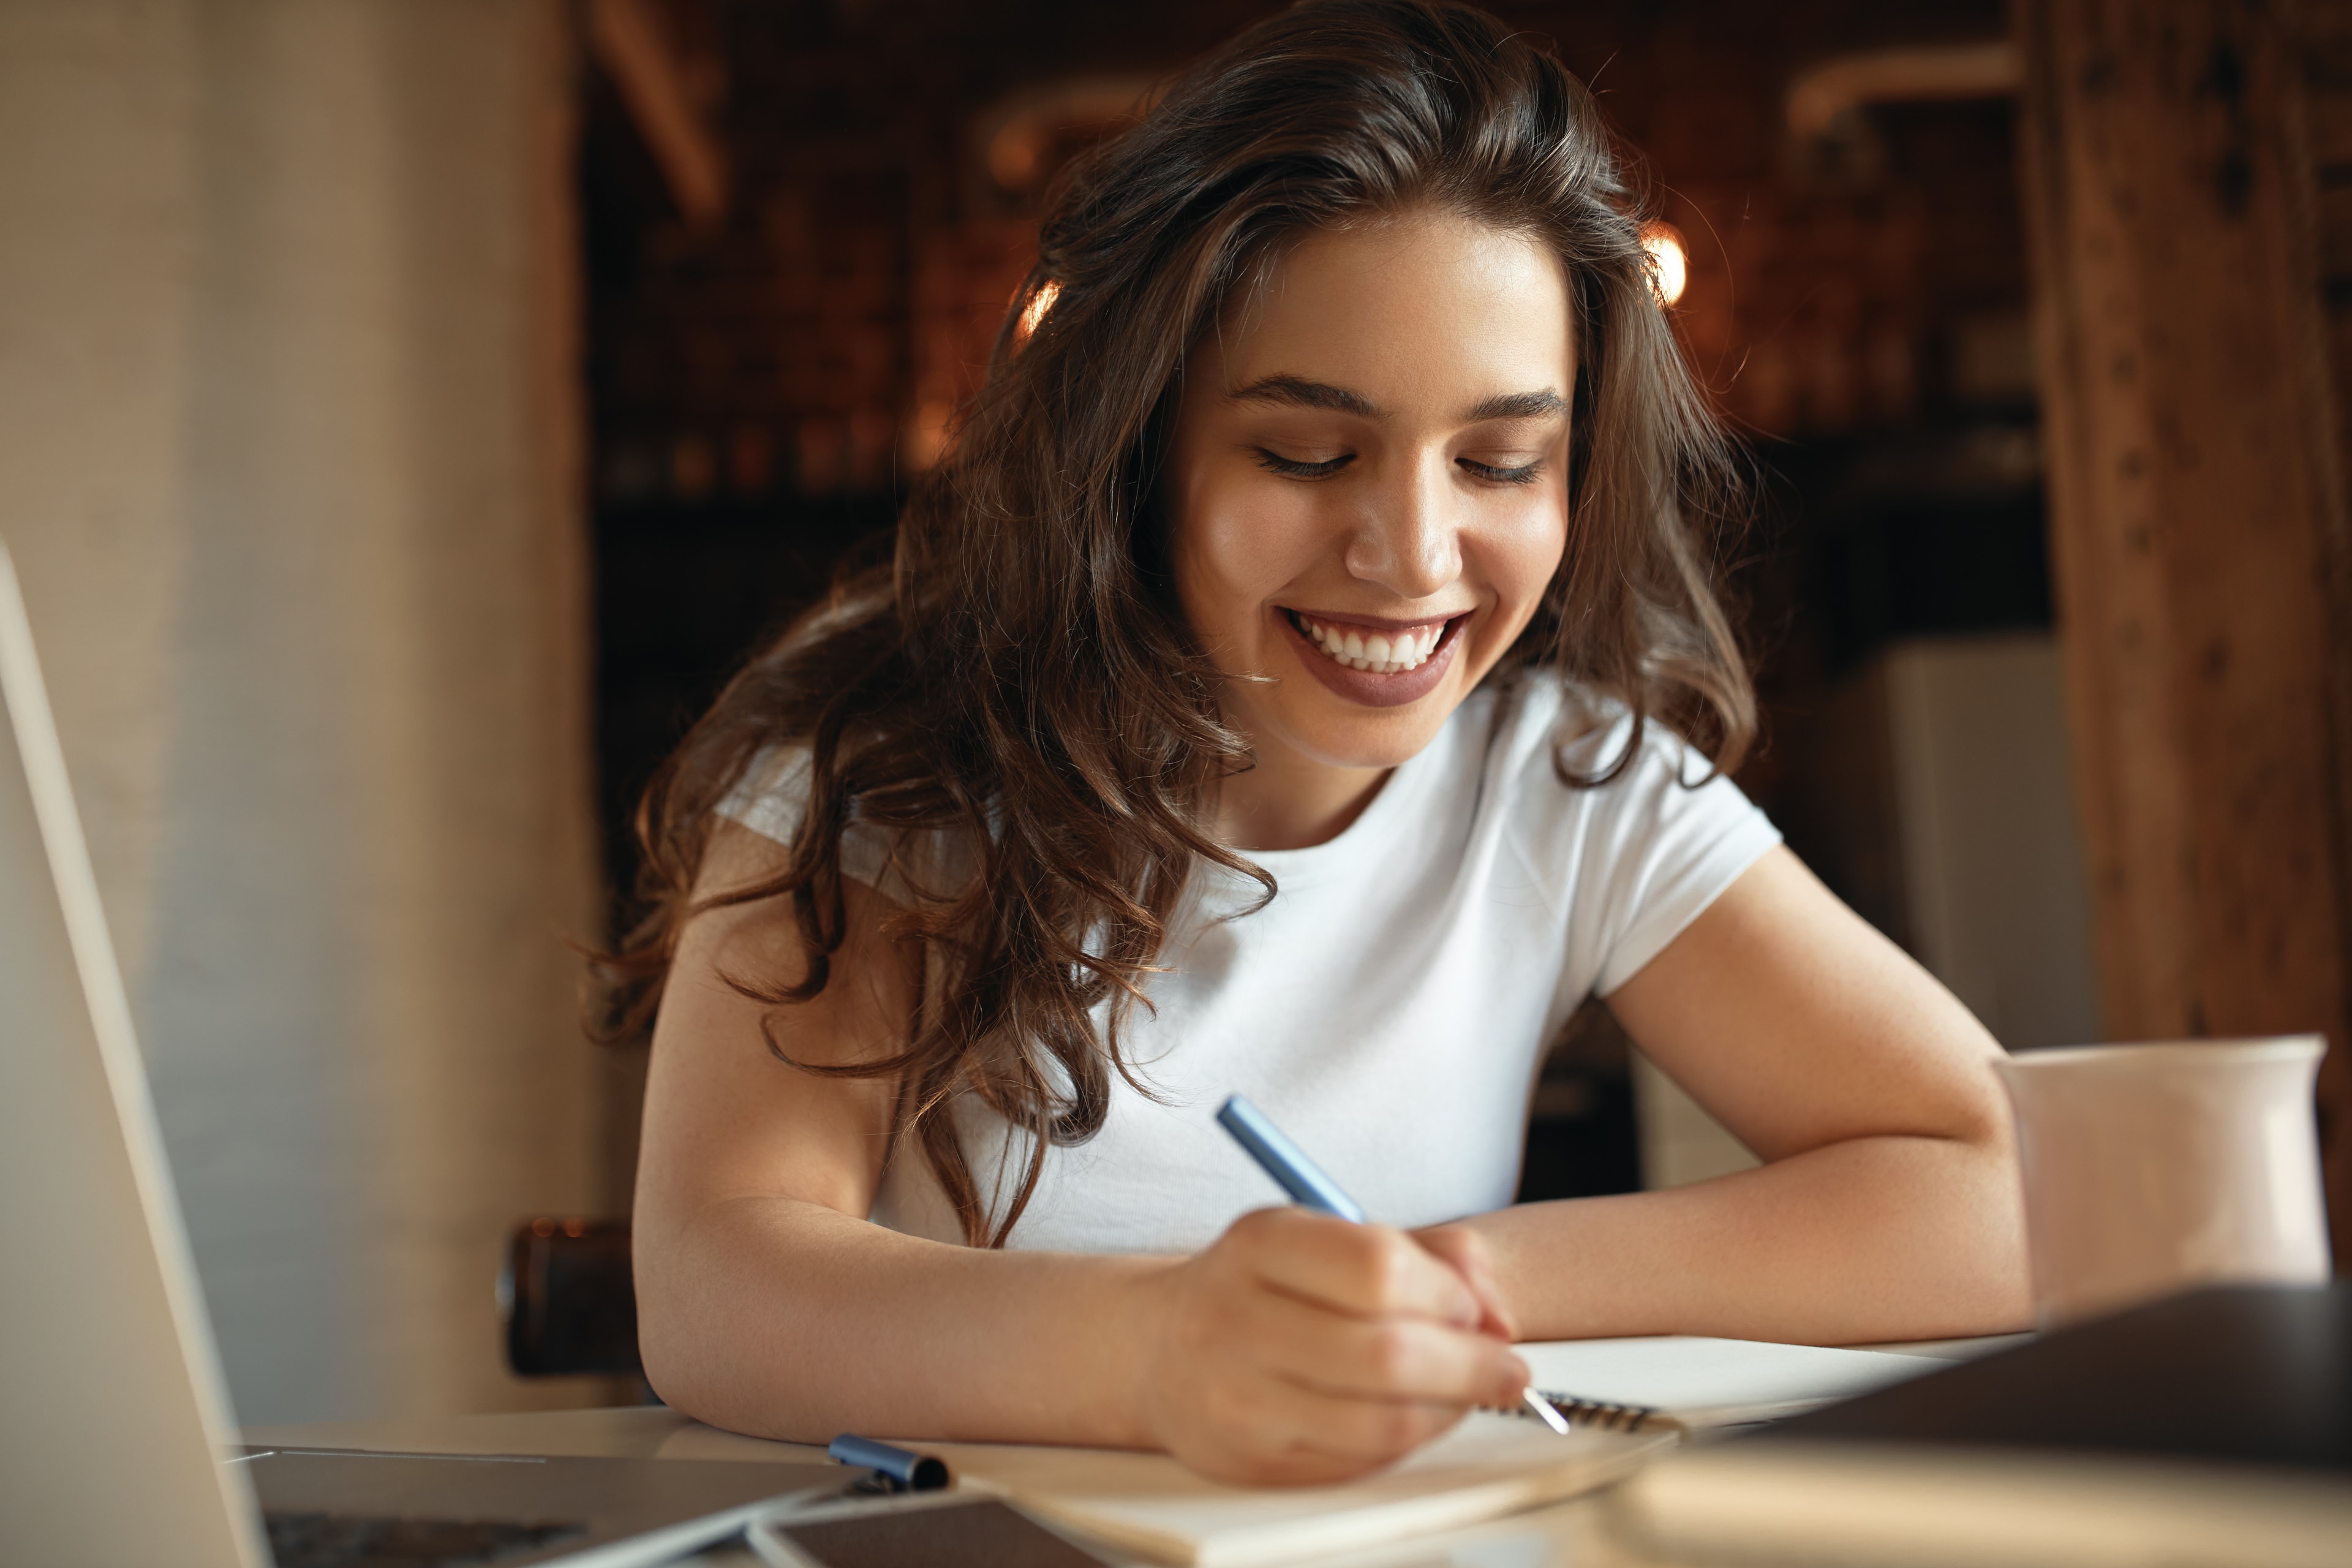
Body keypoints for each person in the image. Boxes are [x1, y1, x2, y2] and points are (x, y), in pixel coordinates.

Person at [605, 0, 2029, 1487]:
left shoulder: (1567, 784)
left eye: (1500, 460)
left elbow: (2003, 1192)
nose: (1416, 555)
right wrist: (1157, 1343)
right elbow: (715, 1288)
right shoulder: (885, 759)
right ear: (1136, 447)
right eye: (1306, 452)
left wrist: (1432, 1284)